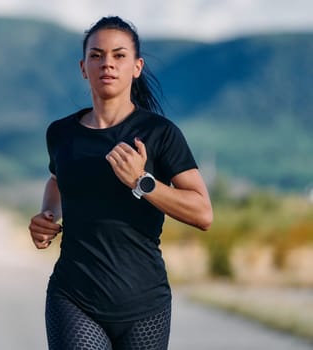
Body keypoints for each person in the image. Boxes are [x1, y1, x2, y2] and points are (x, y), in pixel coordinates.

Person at [28, 16, 213, 350]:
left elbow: (203, 213)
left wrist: (142, 182)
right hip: (73, 296)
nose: (107, 64)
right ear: (83, 67)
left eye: (119, 55)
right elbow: (57, 180)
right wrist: (47, 215)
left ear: (137, 66)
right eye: (96, 55)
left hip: (144, 304)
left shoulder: (160, 133)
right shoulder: (61, 133)